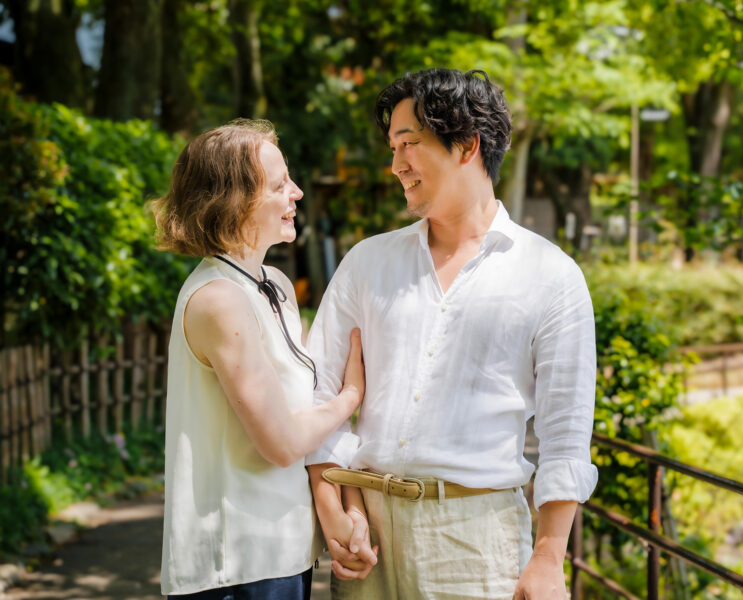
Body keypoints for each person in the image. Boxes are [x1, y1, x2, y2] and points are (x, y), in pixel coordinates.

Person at [306, 68, 598, 599]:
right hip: (365, 535)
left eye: (409, 143)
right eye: (393, 148)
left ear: (467, 145)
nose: (396, 164)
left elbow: (566, 435)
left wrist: (548, 558)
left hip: (476, 542)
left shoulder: (551, 275)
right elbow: (317, 392)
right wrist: (335, 510)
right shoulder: (367, 263)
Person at [153, 119, 367, 600]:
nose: (296, 193)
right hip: (235, 565)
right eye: (278, 185)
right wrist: (350, 396)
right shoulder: (218, 299)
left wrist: (337, 507)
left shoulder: (275, 286)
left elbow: (301, 415)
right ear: (233, 202)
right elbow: (283, 442)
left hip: (284, 552)